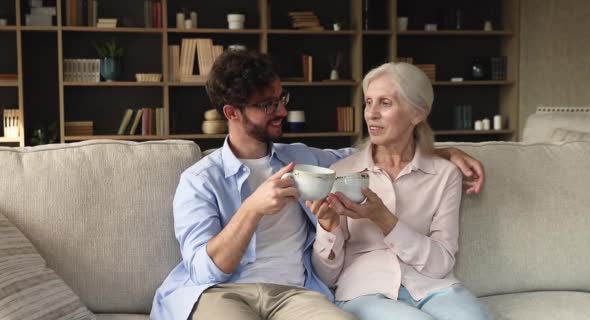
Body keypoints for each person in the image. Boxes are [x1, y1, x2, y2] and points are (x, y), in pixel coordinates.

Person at [150, 50, 485, 320]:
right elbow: (205, 270)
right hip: (223, 293)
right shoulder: (199, 180)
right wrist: (251, 209)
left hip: (296, 293)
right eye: (268, 105)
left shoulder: (304, 159)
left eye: (282, 98)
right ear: (232, 113)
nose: (281, 110)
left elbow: (377, 154)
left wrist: (442, 152)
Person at [309, 62, 491, 320]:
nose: (371, 114)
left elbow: (441, 263)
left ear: (418, 113)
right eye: (368, 102)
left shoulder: (444, 174)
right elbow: (326, 276)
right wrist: (328, 226)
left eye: (385, 103)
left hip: (434, 288)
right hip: (365, 290)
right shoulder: (341, 172)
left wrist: (384, 219)